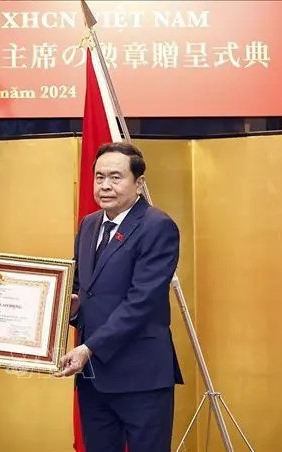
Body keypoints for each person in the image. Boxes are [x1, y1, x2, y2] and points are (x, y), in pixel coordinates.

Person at [56, 143, 183, 452]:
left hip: (141, 377)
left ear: (138, 183)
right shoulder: (88, 225)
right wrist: (69, 307)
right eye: (99, 177)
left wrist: (89, 348)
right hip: (93, 377)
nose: (105, 186)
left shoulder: (157, 226)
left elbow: (141, 302)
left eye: (115, 177)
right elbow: (81, 287)